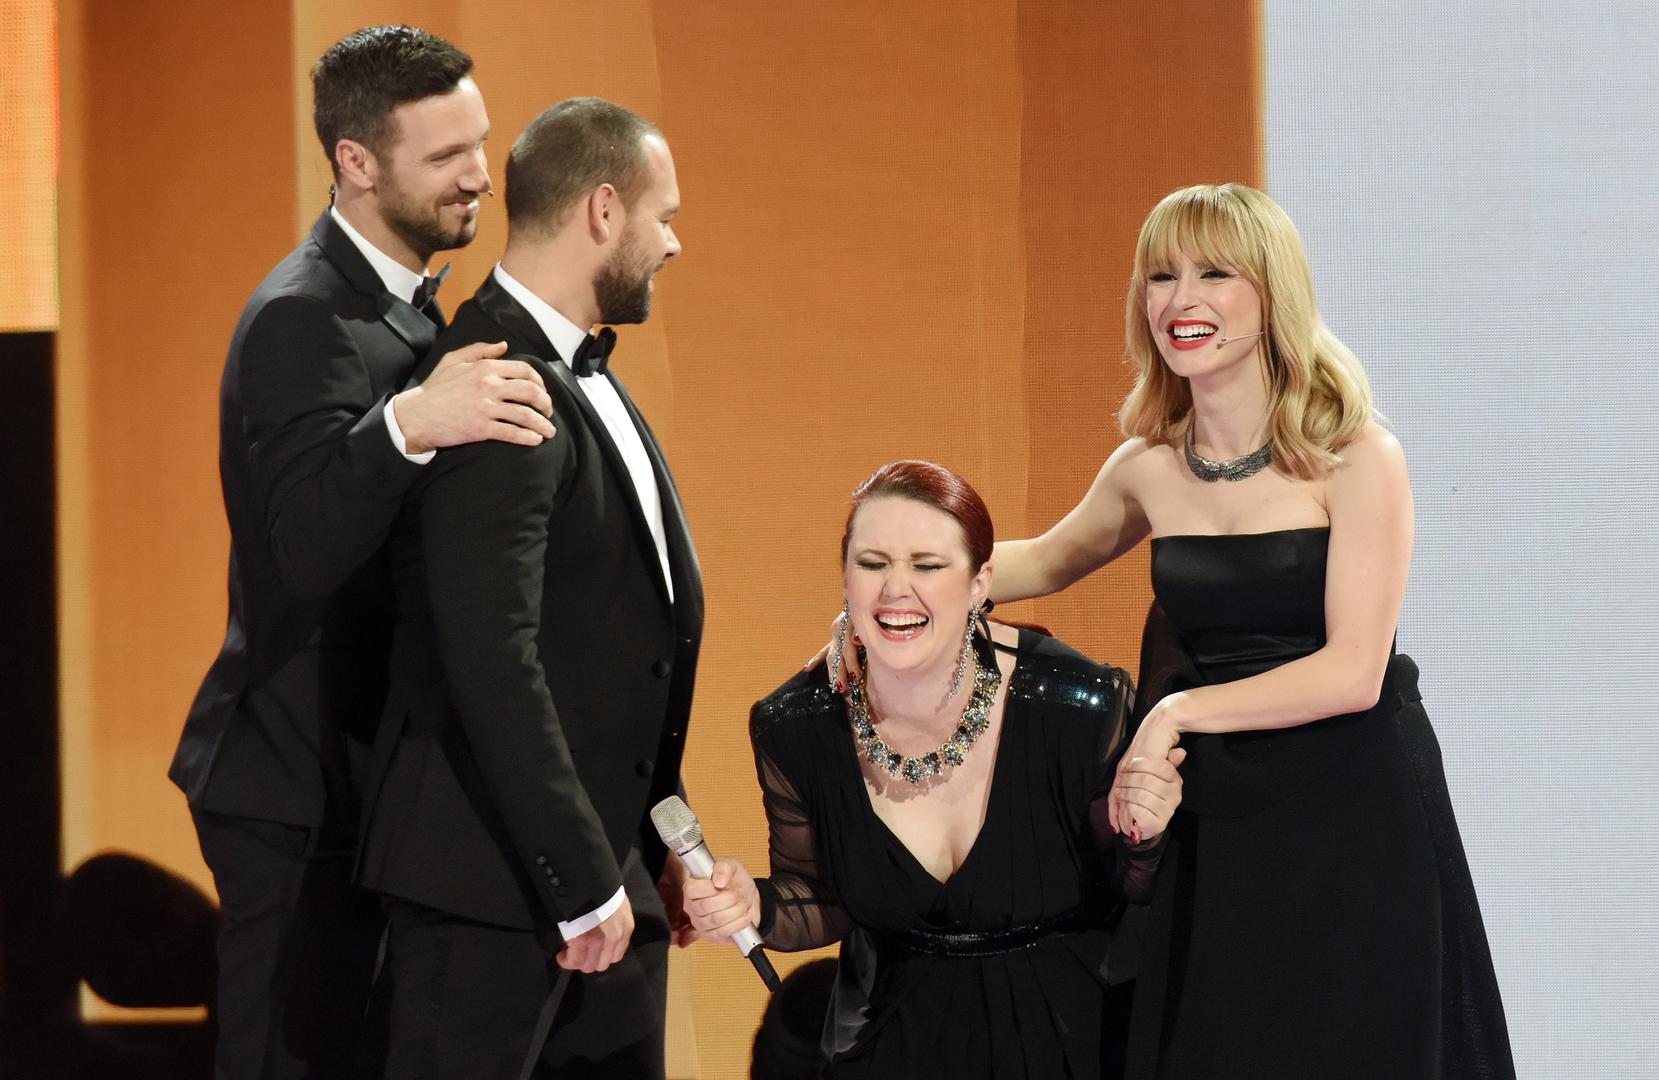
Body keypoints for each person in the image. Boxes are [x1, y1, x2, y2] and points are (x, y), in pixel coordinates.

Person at [976, 183, 1515, 1078]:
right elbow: (1037, 562)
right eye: (1160, 276)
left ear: (1272, 296)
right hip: (1219, 818)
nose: (1179, 300)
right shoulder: (1147, 466)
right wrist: (899, 589)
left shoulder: (1357, 457)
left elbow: (1352, 672)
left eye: (1213, 275)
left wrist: (1173, 713)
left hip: (1353, 812)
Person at [170, 25, 555, 1080]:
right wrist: (408, 426)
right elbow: (299, 551)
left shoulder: (400, 310)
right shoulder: (301, 317)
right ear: (356, 161)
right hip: (294, 789)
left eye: (480, 142)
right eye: (447, 155)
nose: (482, 175)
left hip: (358, 782)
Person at [355, 98, 701, 1080]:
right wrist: (581, 876)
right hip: (492, 890)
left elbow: (608, 648)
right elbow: (490, 649)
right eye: (663, 216)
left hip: (605, 879)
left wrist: (662, 840)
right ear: (604, 209)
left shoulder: (578, 374)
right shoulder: (491, 378)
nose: (672, 243)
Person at [685, 460, 1185, 1079]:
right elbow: (821, 898)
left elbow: (1134, 889)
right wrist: (751, 905)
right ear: (845, 577)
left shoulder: (1079, 706)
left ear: (981, 583)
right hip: (892, 1044)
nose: (896, 589)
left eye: (927, 565)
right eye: (873, 563)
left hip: (1072, 1037)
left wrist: (1147, 835)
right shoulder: (796, 727)